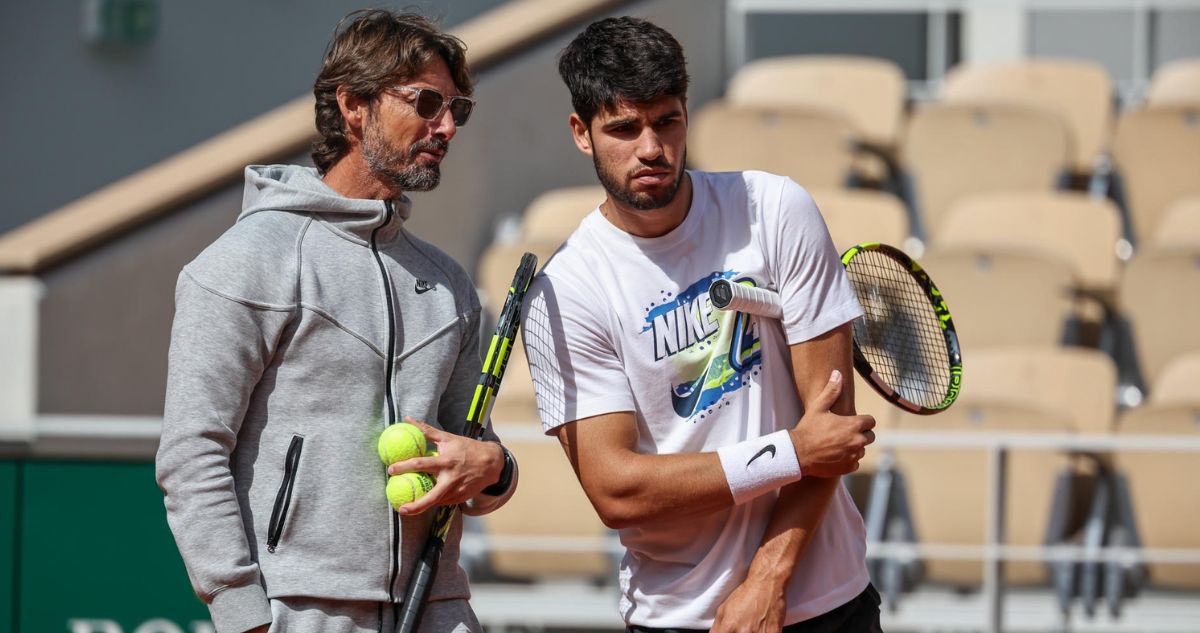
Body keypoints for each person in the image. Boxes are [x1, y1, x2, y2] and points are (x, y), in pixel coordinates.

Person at [155, 10, 517, 633]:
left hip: (437, 606)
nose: (447, 126)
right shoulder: (247, 262)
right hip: (294, 611)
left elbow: (471, 456)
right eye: (427, 102)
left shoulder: (451, 285)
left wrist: (495, 469)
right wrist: (242, 615)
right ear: (353, 105)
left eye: (458, 108)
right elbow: (192, 454)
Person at [520, 17, 881, 632]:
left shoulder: (774, 209)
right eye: (624, 129)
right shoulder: (568, 289)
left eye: (667, 121)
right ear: (581, 133)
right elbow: (618, 490)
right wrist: (790, 451)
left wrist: (770, 577)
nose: (651, 148)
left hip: (828, 604)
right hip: (678, 616)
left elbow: (833, 428)